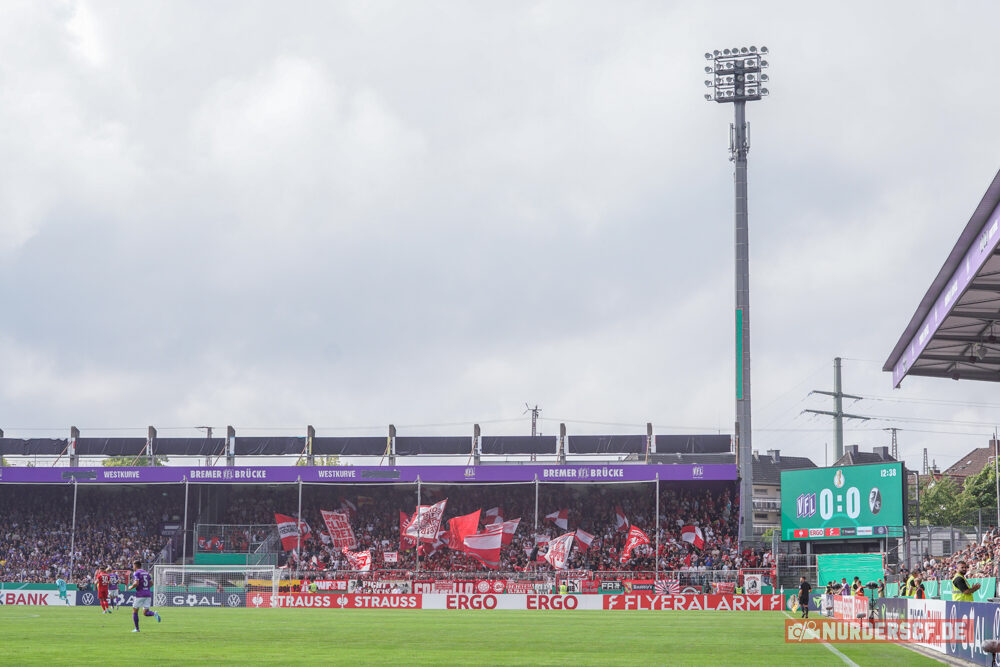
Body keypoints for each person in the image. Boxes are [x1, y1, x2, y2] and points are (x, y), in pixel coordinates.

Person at [127, 560, 161, 632]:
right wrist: (146, 588)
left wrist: (131, 587)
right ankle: (154, 614)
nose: (133, 567)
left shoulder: (136, 573)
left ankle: (137, 629)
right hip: (148, 594)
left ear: (136, 566)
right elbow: (151, 583)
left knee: (135, 611)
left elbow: (136, 583)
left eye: (133, 565)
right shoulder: (146, 573)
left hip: (140, 594)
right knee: (145, 613)